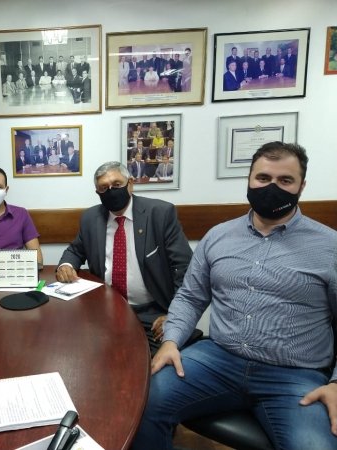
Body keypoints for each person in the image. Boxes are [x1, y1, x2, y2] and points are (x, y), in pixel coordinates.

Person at [131, 142, 337, 450]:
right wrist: (171, 341)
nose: (272, 187)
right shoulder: (218, 236)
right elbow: (190, 297)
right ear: (249, 180)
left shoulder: (330, 246)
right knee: (141, 405)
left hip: (294, 374)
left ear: (301, 186)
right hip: (218, 359)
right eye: (263, 178)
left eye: (285, 180)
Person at [56, 162, 193, 354]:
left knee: (155, 366)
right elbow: (75, 250)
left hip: (152, 313)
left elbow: (185, 268)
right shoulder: (90, 218)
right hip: (104, 312)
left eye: (117, 184)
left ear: (130, 184)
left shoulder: (160, 214)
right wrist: (66, 264)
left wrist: (175, 315)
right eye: (104, 188)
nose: (111, 191)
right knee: (82, 353)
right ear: (97, 192)